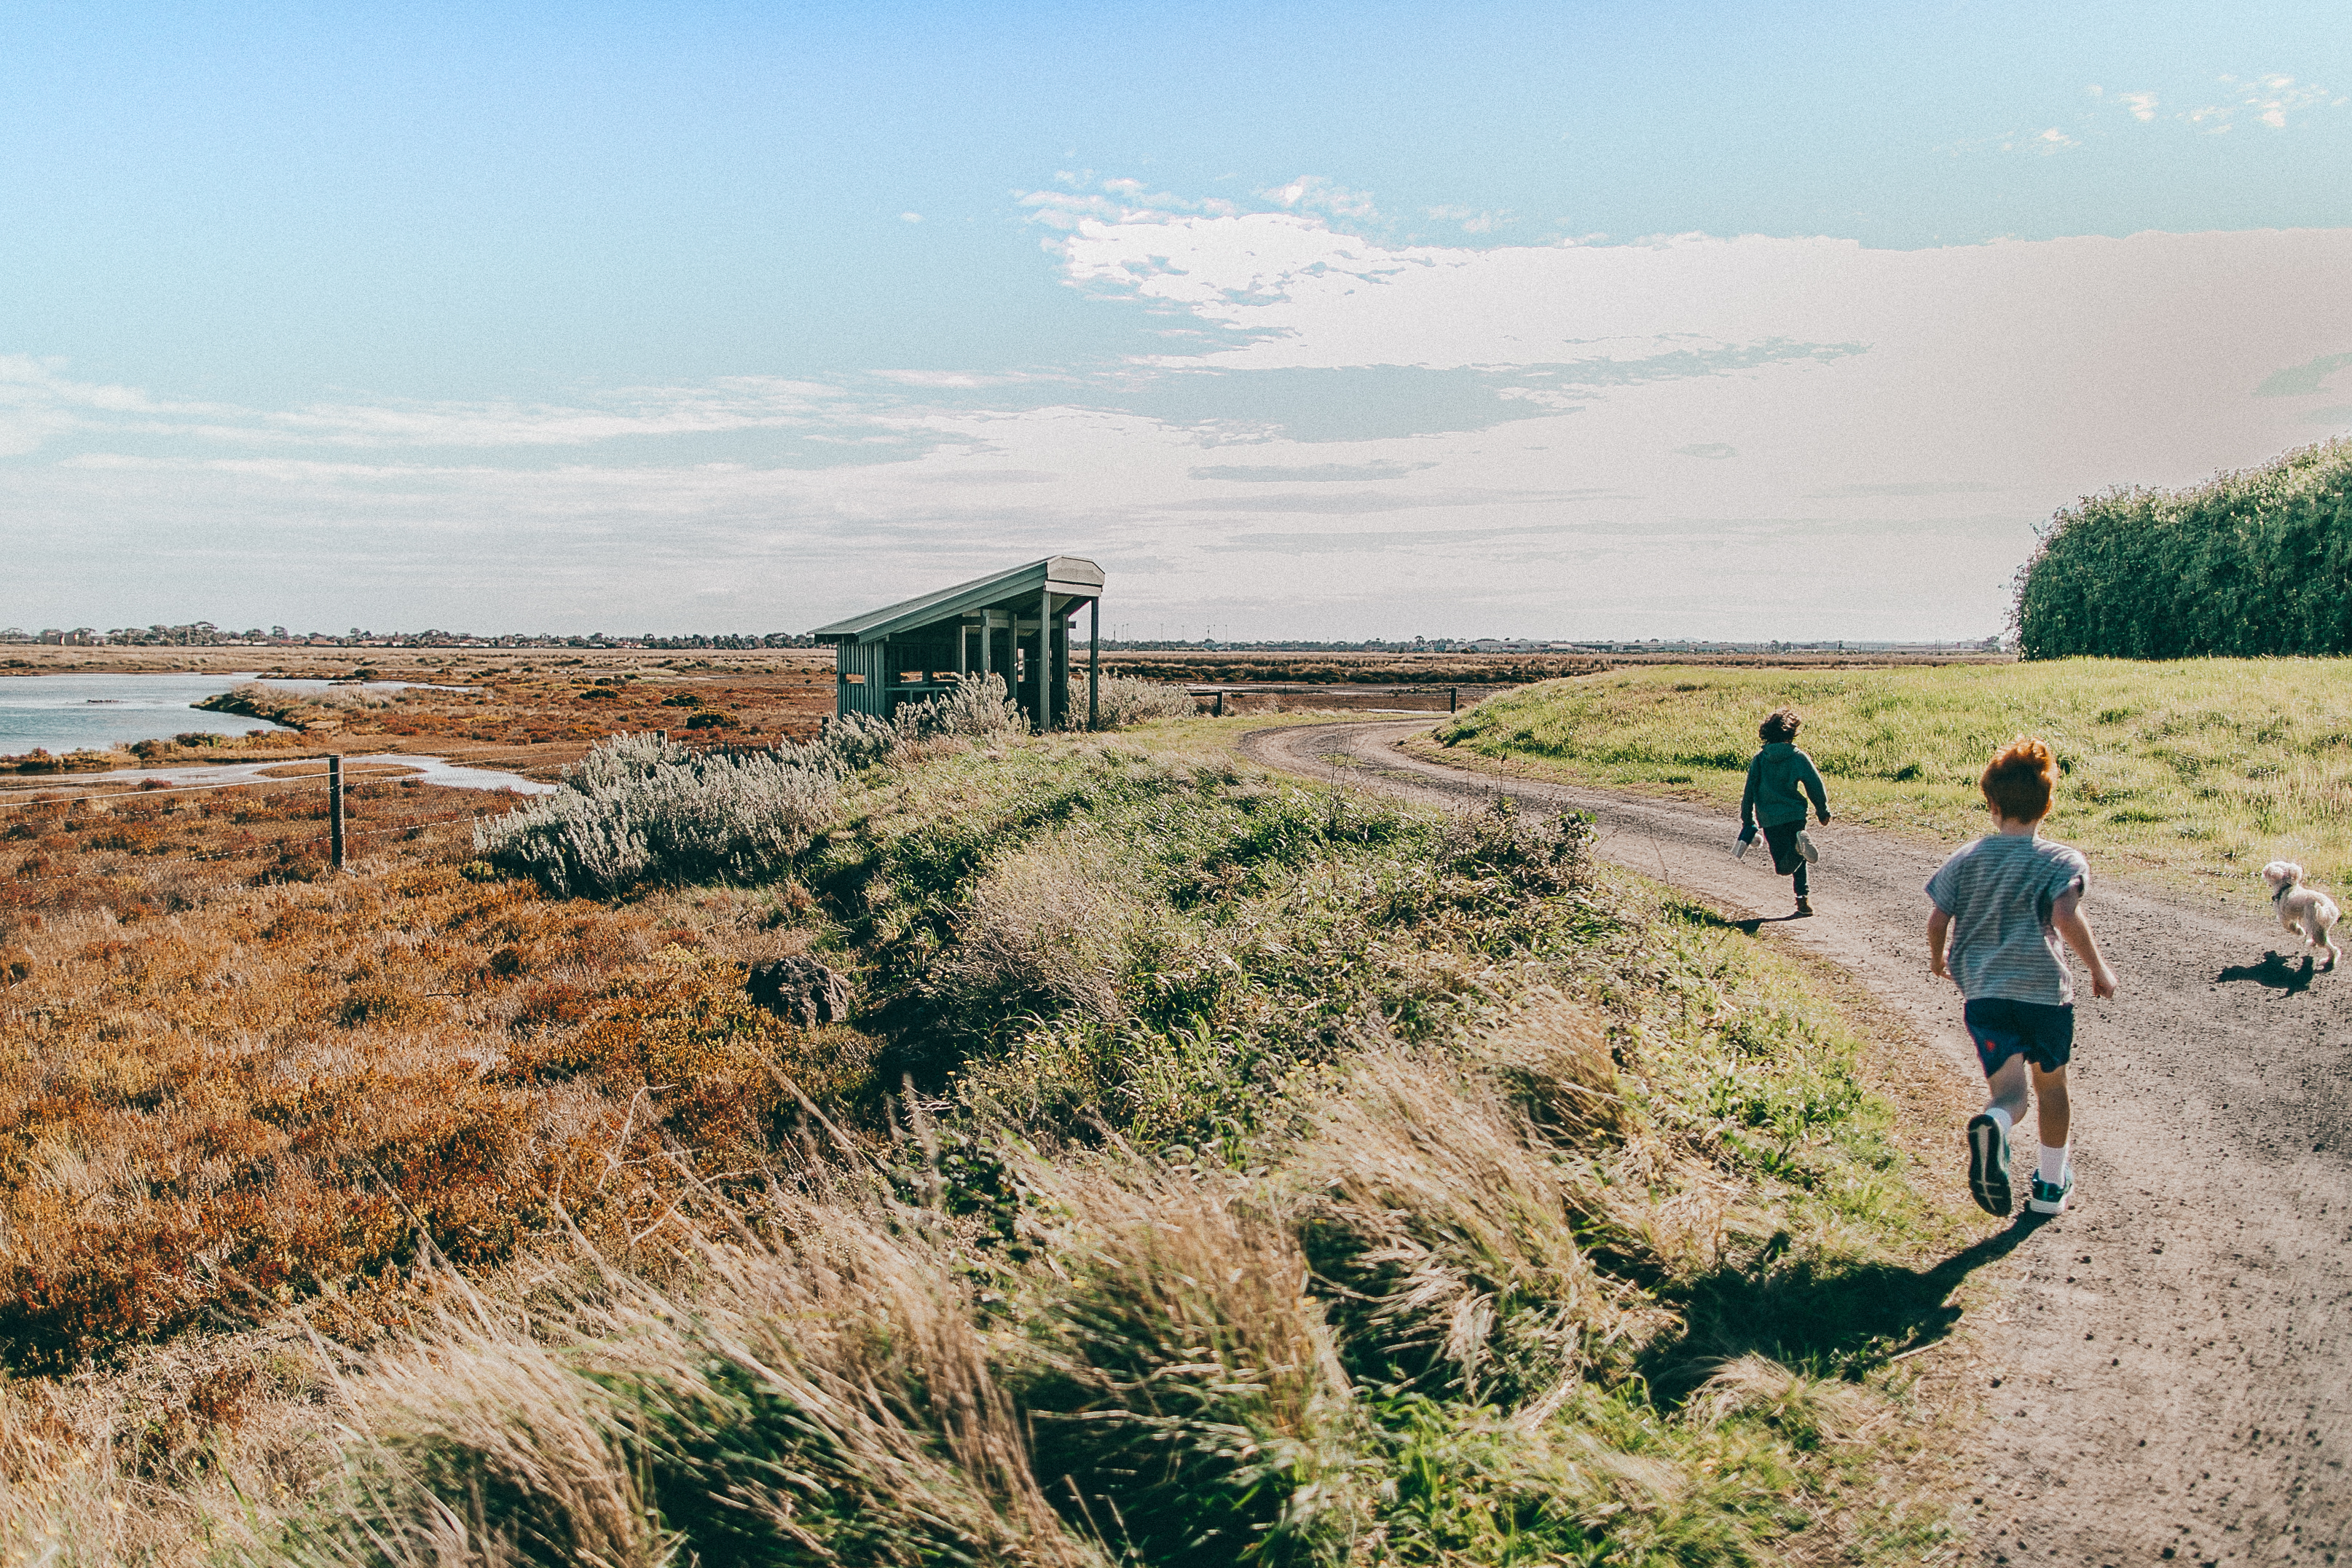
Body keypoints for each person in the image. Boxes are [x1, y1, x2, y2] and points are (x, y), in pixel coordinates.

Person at [1926, 737, 2117, 1218]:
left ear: (1991, 805)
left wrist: (1938, 957)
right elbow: (2066, 916)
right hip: (2043, 996)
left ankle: (1993, 1122)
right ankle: (2050, 1188)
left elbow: (1937, 918)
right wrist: (2097, 968)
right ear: (2047, 803)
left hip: (1986, 995)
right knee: (2050, 1088)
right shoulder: (2061, 860)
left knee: (2010, 1095)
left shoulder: (1967, 857)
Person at [1739, 706, 1830, 918]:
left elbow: (1749, 791)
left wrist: (1747, 819)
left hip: (1771, 819)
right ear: (1791, 733)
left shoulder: (1760, 760)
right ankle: (1803, 902)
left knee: (1782, 866)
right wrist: (1822, 809)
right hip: (1795, 815)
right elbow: (1814, 784)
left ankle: (1799, 854)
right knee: (1798, 859)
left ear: (1767, 733)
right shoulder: (1798, 757)